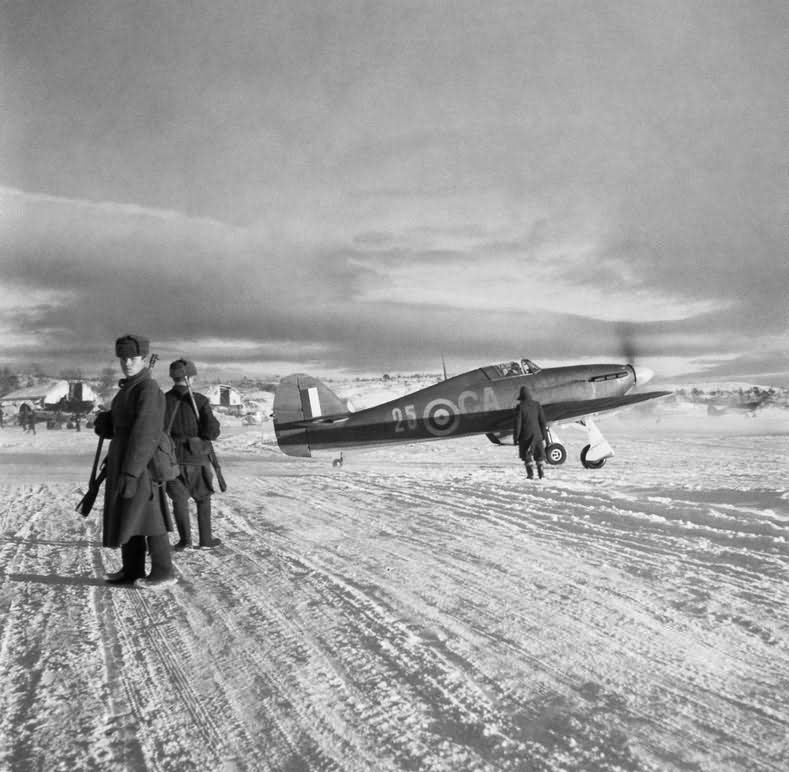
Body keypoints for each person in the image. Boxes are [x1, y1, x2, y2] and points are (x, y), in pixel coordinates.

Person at [93, 334, 176, 589]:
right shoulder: (129, 389)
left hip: (141, 466)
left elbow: (145, 433)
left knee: (150, 518)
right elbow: (124, 425)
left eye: (133, 358)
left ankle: (164, 572)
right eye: (123, 358)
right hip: (125, 462)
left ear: (143, 358)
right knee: (130, 516)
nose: (127, 363)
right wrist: (106, 422)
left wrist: (130, 472)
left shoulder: (148, 389)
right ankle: (132, 570)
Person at [164, 358, 222, 550]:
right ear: (191, 378)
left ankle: (184, 541)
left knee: (179, 500)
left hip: (171, 458)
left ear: (173, 378)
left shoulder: (164, 400)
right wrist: (204, 433)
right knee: (203, 498)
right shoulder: (200, 400)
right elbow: (212, 431)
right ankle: (205, 540)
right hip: (196, 457)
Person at [514, 385, 549, 479]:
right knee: (539, 455)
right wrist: (544, 435)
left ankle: (530, 474)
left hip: (525, 436)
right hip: (537, 435)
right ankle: (541, 473)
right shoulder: (537, 404)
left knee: (527, 456)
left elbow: (518, 424)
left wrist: (516, 438)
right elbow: (542, 421)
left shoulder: (520, 407)